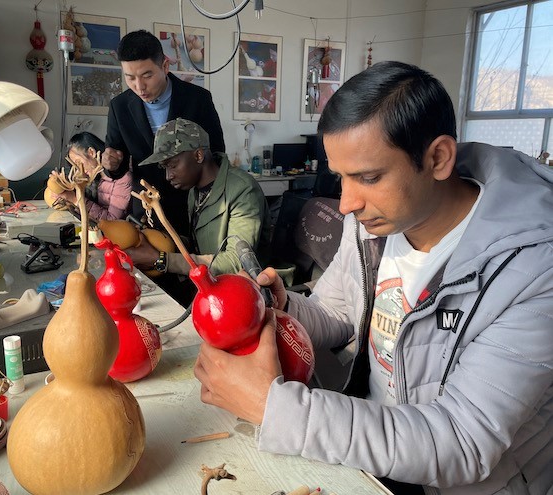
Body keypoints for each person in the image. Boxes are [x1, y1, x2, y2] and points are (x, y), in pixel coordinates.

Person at [193, 61, 553, 494]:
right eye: (340, 177)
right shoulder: (375, 224)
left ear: (437, 158)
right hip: (370, 452)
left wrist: (278, 409)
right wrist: (286, 306)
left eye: (368, 177)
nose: (345, 203)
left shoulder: (533, 268)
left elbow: (462, 440)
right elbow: (341, 312)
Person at [102, 29, 225, 237]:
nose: (139, 87)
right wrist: (111, 165)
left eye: (147, 75)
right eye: (130, 78)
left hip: (195, 207)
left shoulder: (198, 99)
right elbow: (117, 163)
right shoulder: (119, 106)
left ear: (165, 66)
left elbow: (217, 153)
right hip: (148, 210)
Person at [126, 118, 271, 279]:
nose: (168, 176)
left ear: (198, 155)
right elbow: (199, 247)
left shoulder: (242, 190)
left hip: (243, 290)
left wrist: (161, 260)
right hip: (208, 284)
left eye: (172, 165)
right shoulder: (195, 191)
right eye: (164, 168)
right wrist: (158, 239)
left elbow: (237, 263)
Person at [51, 132, 132, 222]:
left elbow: (112, 220)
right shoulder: (93, 179)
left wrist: (75, 199)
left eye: (78, 162)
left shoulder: (122, 178)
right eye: (74, 165)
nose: (78, 169)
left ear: (91, 152)